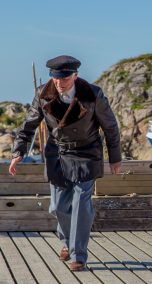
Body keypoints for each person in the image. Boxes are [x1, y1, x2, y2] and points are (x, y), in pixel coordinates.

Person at [9, 55, 122, 271]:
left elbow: (110, 127)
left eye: (65, 79)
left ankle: (78, 255)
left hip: (86, 153)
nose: (60, 84)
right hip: (58, 153)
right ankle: (67, 242)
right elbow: (28, 126)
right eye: (56, 79)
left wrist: (115, 158)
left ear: (75, 76)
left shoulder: (93, 94)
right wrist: (18, 152)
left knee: (81, 204)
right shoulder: (43, 94)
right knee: (59, 206)